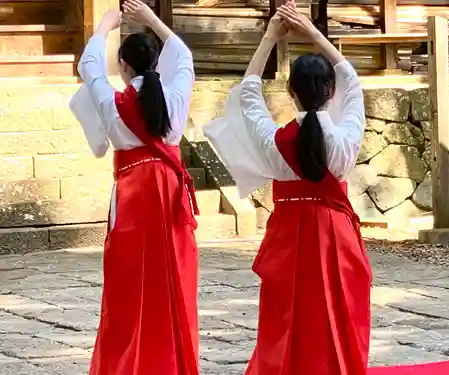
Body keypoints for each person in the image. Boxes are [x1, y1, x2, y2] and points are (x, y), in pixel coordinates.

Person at [203, 3, 372, 375]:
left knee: (285, 321)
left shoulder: (273, 142)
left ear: (290, 90)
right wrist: (311, 31)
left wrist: (270, 37)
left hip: (289, 237)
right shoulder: (344, 141)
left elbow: (248, 93)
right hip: (335, 236)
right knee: (339, 318)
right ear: (331, 90)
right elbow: (352, 78)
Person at [69, 1, 199, 374]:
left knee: (129, 283)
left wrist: (104, 27)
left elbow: (90, 68)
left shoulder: (113, 102)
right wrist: (152, 19)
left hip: (133, 192)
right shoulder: (175, 95)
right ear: (157, 64)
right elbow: (184, 56)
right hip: (171, 189)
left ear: (124, 67)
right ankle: (174, 361)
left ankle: (128, 363)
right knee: (175, 277)